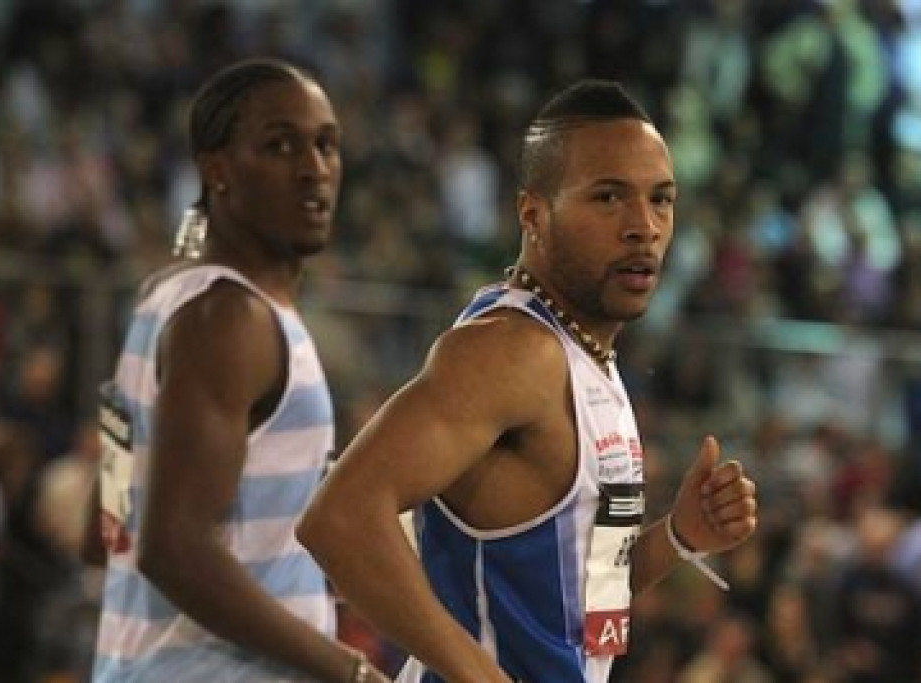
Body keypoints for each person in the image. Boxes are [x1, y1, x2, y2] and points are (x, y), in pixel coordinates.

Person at [298, 79, 759, 682]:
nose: (643, 226)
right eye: (608, 197)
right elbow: (338, 519)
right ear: (533, 214)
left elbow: (570, 609)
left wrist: (676, 537)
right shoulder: (510, 352)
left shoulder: (583, 348)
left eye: (661, 199)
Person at [88, 58, 384, 682]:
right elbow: (174, 550)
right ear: (216, 169)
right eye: (280, 145)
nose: (314, 168)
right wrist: (350, 671)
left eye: (326, 144)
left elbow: (104, 524)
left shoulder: (163, 297)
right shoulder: (231, 320)